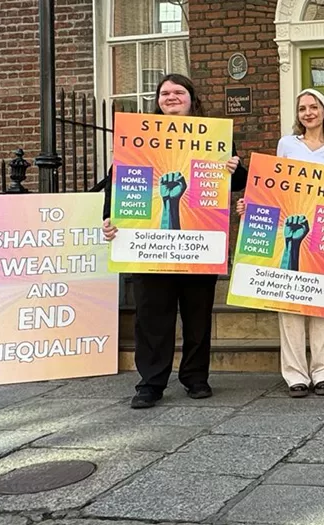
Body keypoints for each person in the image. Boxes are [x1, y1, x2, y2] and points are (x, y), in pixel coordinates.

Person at [102, 74, 247, 409]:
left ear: (191, 98)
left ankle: (196, 378)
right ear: (157, 100)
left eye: (178, 92)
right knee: (152, 316)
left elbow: (237, 181)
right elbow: (118, 180)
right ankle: (150, 383)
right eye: (164, 92)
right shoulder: (138, 136)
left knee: (197, 315)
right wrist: (109, 218)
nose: (171, 97)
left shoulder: (215, 136)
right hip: (147, 246)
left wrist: (234, 166)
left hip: (199, 245)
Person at [236, 88, 324, 397]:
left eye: (314, 107)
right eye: (302, 108)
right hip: (290, 228)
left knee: (322, 304)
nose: (308, 113)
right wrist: (252, 206)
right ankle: (295, 374)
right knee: (288, 304)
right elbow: (271, 187)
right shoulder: (287, 144)